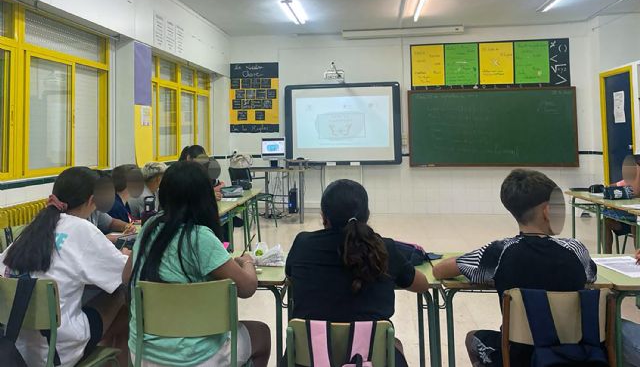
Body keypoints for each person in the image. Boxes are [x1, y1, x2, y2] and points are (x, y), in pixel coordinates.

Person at [433, 169, 597, 367]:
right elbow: (590, 276)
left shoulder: (498, 252)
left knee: (472, 338)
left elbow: (440, 270)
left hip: (518, 354)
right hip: (576, 352)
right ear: (547, 211)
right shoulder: (576, 250)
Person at [128, 161, 271, 367]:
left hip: (143, 354)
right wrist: (247, 262)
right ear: (205, 197)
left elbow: (126, 277)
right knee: (261, 334)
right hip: (197, 358)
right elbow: (248, 287)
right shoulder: (199, 237)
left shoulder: (150, 226)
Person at [285, 179, 430, 367]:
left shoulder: (303, 244)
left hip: (308, 360)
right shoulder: (384, 249)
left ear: (323, 216)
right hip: (369, 361)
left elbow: (290, 276)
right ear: (367, 215)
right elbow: (422, 285)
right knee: (394, 345)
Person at [0, 167, 132, 366]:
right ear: (91, 200)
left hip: (15, 347)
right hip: (57, 351)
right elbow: (125, 275)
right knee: (122, 294)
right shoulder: (82, 230)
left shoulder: (32, 229)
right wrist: (125, 256)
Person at [604, 155, 640, 253]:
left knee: (635, 225)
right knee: (605, 222)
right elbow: (612, 186)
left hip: (635, 218)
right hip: (627, 216)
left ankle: (637, 257)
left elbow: (636, 192)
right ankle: (607, 257)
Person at [91, 173, 135, 239]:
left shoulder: (96, 209)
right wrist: (115, 238)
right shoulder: (77, 216)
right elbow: (89, 241)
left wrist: (126, 226)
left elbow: (111, 222)